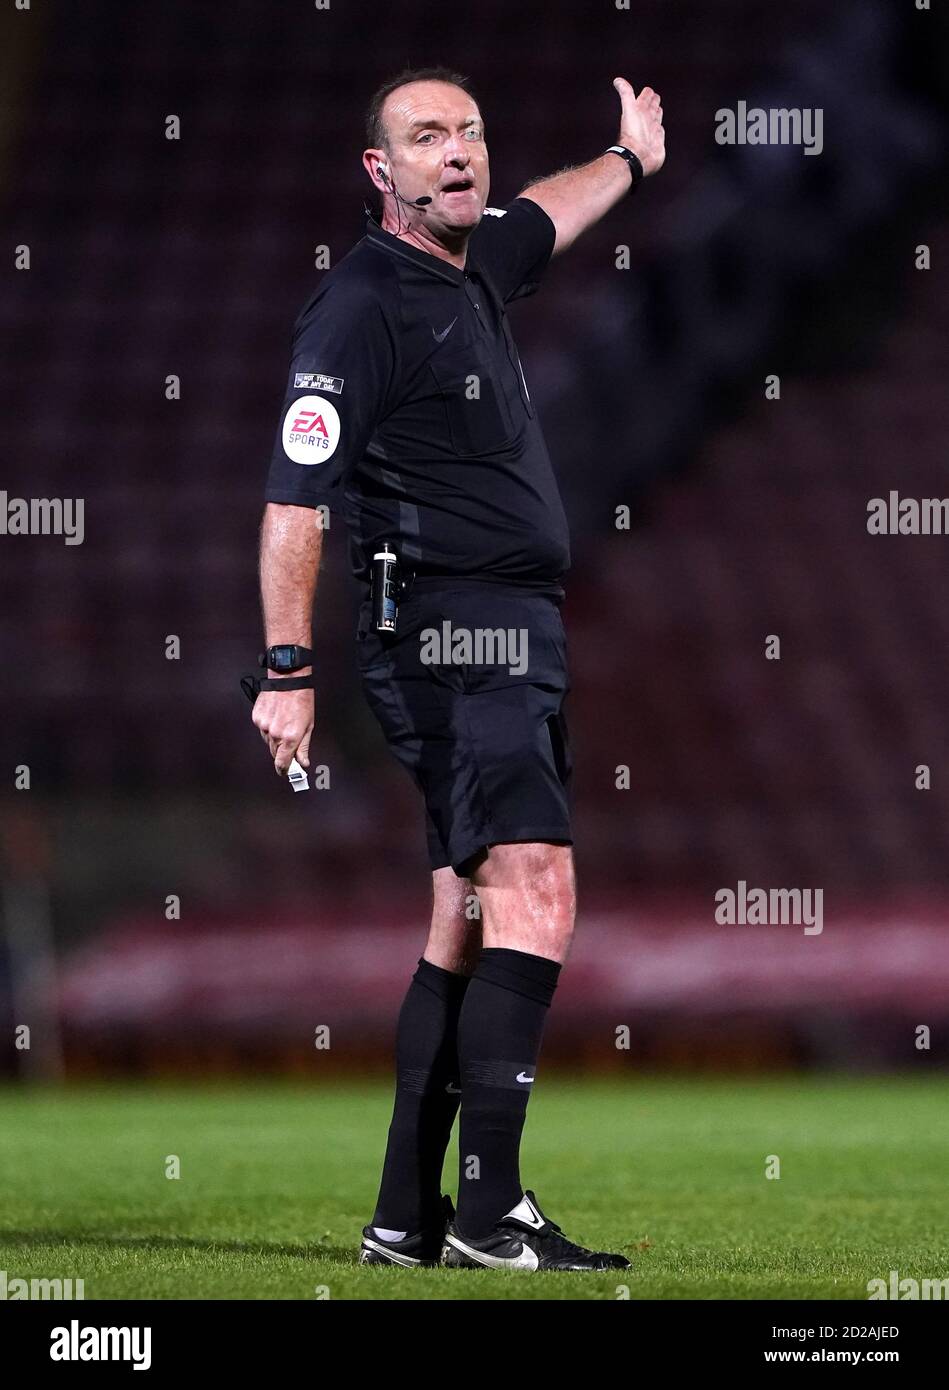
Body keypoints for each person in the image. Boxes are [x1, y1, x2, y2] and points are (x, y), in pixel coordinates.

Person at [253, 67, 665, 1271]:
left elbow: (547, 211)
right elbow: (292, 503)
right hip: (448, 631)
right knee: (535, 884)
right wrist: (287, 666)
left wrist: (631, 160)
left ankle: (404, 1216)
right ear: (378, 171)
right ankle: (488, 1212)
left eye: (470, 132)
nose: (457, 153)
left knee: (470, 917)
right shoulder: (359, 306)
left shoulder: (472, 258)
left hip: (503, 630)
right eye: (425, 137)